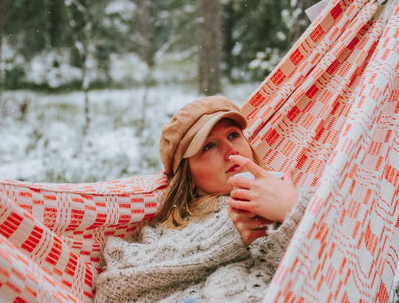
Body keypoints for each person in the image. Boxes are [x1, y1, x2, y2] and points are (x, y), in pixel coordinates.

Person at [94, 96, 313, 302]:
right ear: (188, 178)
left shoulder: (308, 198)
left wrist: (292, 210)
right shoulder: (177, 231)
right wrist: (229, 234)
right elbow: (111, 291)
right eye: (209, 146)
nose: (230, 151)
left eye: (233, 135)